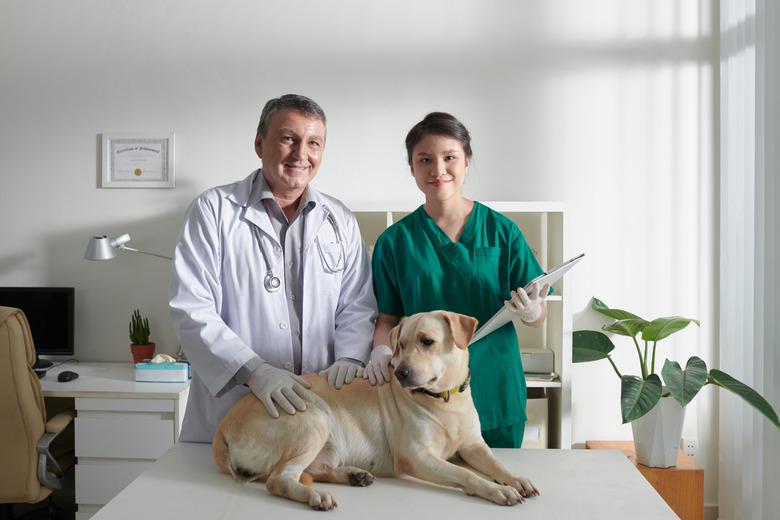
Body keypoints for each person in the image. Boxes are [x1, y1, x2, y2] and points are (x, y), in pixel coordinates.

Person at [169, 94, 378, 443]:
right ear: (259, 143)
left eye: (313, 143)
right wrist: (254, 371)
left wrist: (351, 359)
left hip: (320, 412)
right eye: (288, 138)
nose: (301, 153)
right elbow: (191, 308)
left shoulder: (339, 218)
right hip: (236, 411)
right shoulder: (213, 211)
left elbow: (357, 304)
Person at [364, 112, 550, 448]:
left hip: (494, 386)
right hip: (425, 397)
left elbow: (538, 316)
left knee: (500, 477)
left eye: (449, 157)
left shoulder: (502, 231)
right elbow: (387, 319)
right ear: (412, 168)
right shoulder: (394, 242)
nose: (438, 170)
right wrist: (380, 352)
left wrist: (532, 311)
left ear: (466, 161)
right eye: (425, 160)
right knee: (430, 478)